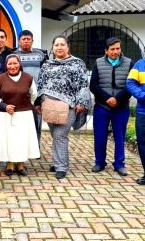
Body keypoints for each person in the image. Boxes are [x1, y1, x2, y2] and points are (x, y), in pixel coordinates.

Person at [37, 35, 91, 180]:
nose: (59, 47)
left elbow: (83, 85)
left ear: (68, 47)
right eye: (56, 45)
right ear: (53, 47)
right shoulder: (47, 64)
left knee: (60, 135)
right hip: (49, 106)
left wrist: (81, 102)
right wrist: (39, 102)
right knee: (56, 135)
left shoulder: (77, 63)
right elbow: (41, 84)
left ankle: (61, 167)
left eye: (62, 45)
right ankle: (59, 162)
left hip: (69, 106)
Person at [0, 54, 40, 176]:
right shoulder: (0, 79)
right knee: (8, 140)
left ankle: (20, 164)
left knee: (21, 140)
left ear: (19, 64)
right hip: (5, 115)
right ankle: (10, 164)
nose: (12, 66)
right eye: (10, 64)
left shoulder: (28, 78)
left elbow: (34, 95)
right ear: (6, 65)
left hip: (24, 115)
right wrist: (4, 106)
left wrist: (25, 105)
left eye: (15, 63)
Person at [90, 37, 134, 176]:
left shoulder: (128, 63)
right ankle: (99, 162)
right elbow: (93, 85)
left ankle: (119, 164)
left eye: (118, 48)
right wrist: (107, 98)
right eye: (112, 49)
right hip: (102, 106)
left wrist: (117, 99)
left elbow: (131, 84)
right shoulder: (98, 63)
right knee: (100, 136)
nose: (116, 51)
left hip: (121, 106)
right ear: (106, 50)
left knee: (119, 136)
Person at [13, 30, 48, 142]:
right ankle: (21, 147)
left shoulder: (40, 54)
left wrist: (41, 97)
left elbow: (46, 74)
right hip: (18, 96)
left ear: (32, 41)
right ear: (19, 41)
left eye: (28, 39)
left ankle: (36, 148)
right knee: (19, 123)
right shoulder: (13, 55)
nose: (26, 41)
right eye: (24, 39)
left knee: (36, 122)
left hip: (36, 95)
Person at [127, 59, 145, 184]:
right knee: (143, 144)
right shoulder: (140, 64)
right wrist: (142, 95)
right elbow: (130, 83)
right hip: (143, 112)